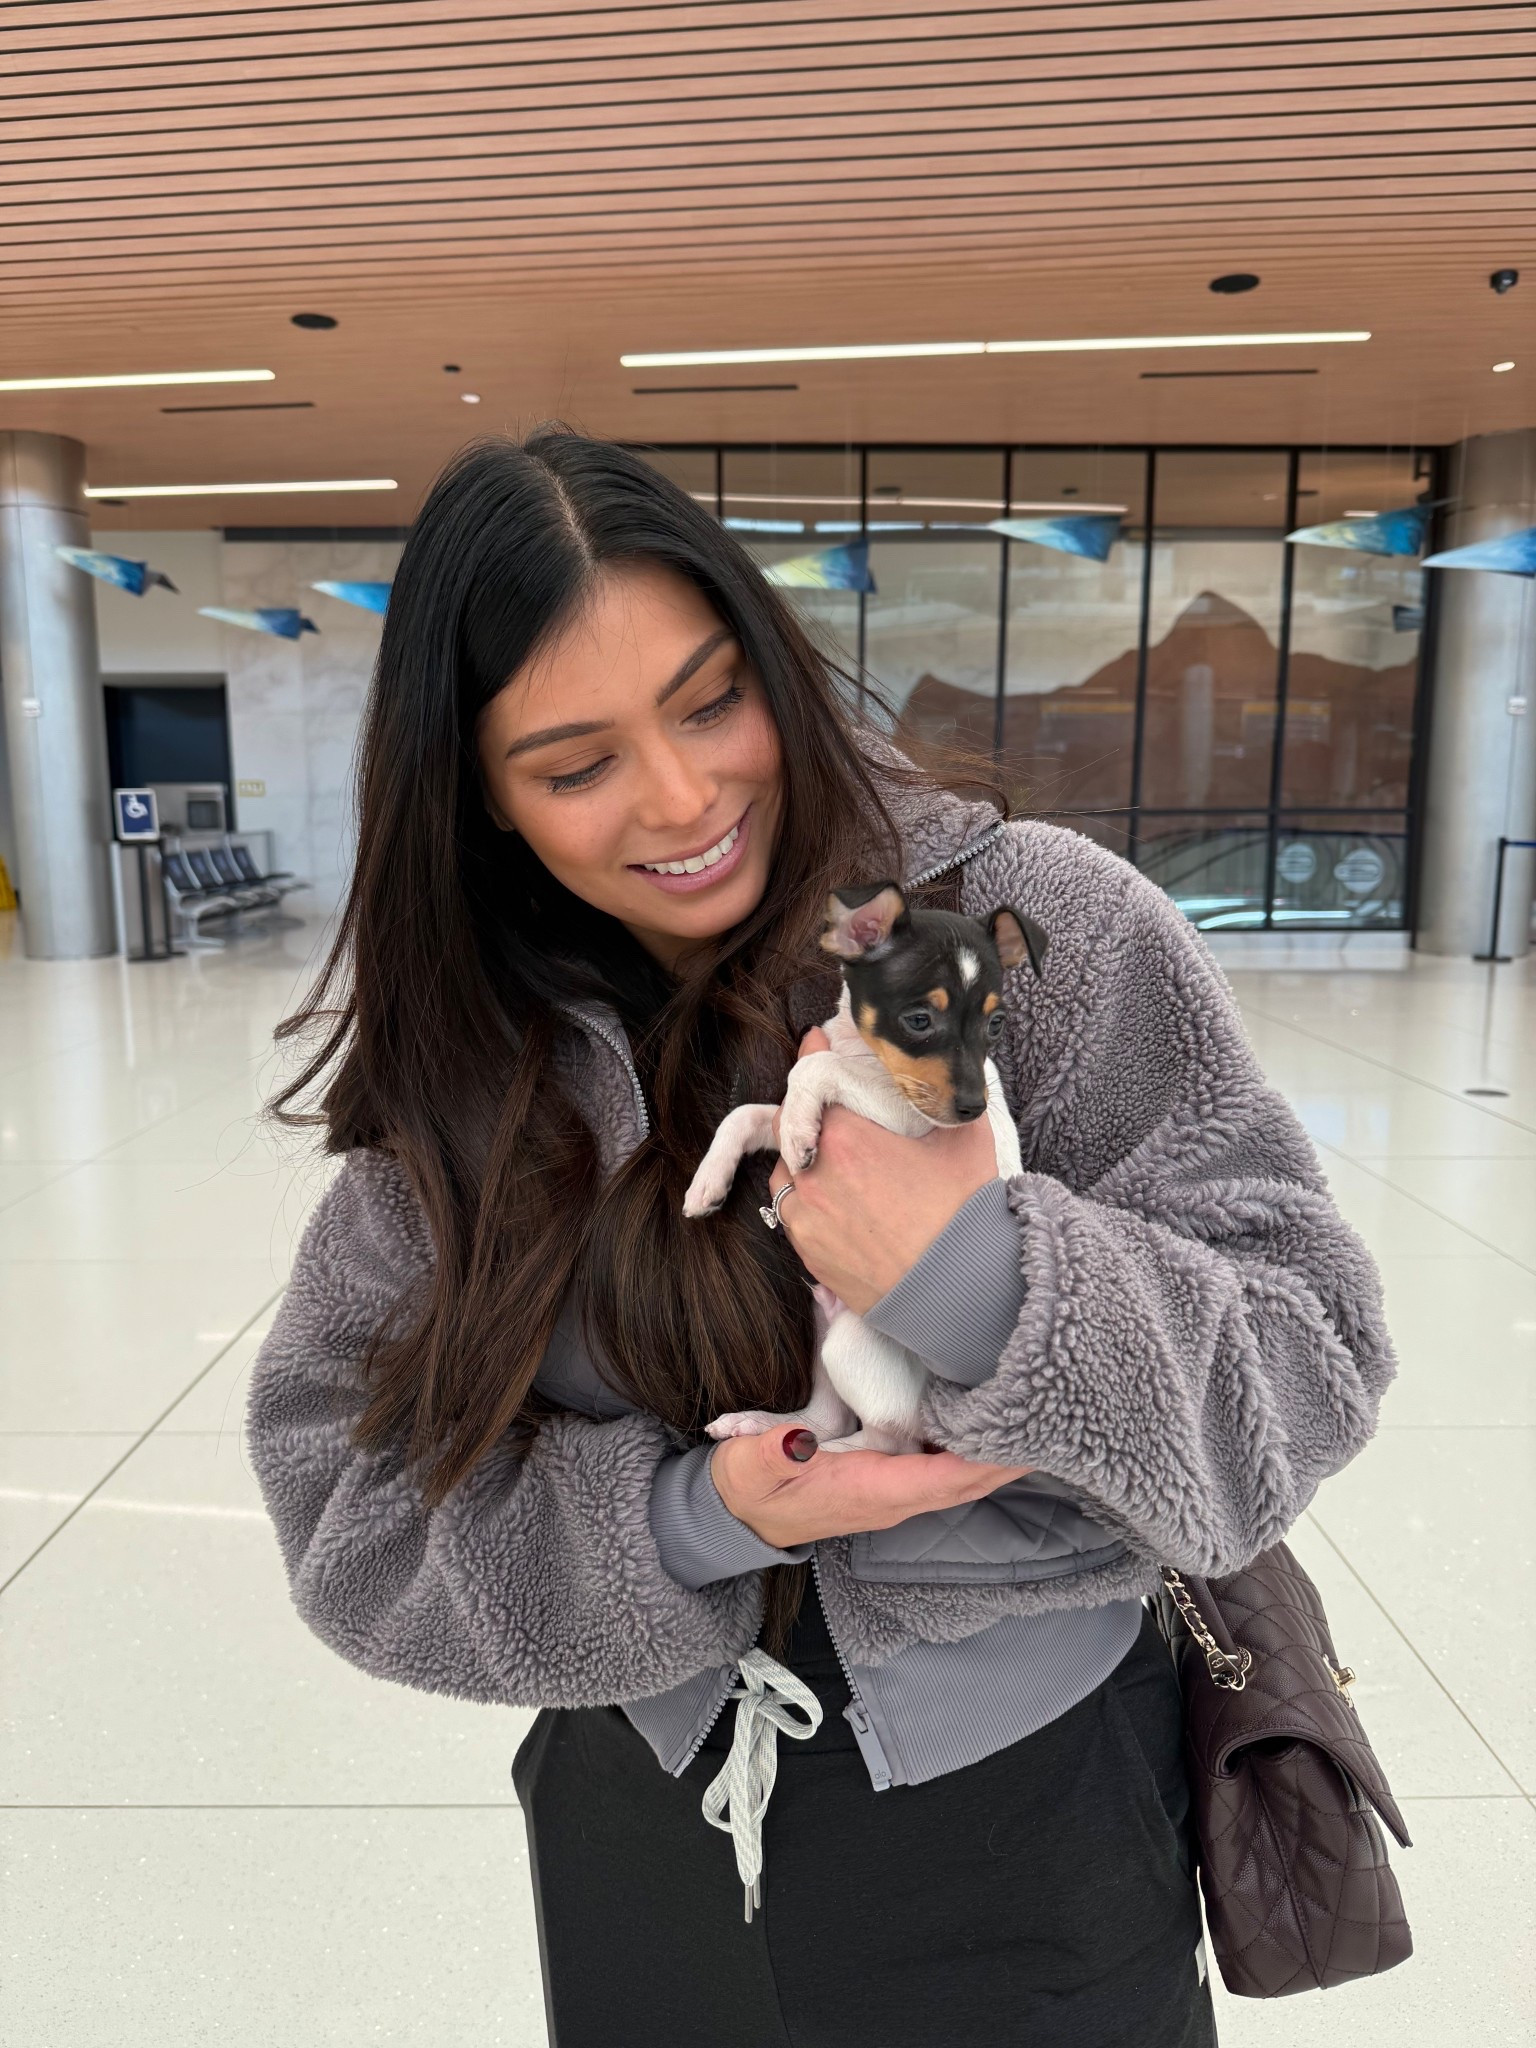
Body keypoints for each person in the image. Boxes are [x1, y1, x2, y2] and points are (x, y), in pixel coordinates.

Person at [248, 428, 1396, 2048]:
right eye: (574, 766)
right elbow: (352, 1523)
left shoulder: (1036, 930)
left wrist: (978, 1276)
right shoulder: (472, 1071)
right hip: (641, 1818)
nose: (681, 797)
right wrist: (698, 1516)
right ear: (483, 801)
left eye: (713, 701)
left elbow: (1308, 1359)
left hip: (1043, 1813)